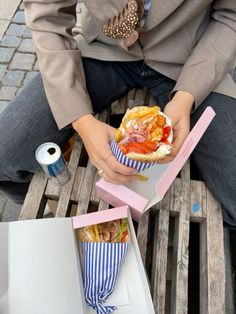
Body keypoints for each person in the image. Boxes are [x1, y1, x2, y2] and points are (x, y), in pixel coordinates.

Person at [0, 0, 235, 227]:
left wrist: (187, 95)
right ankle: (51, 216)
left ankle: (198, 250)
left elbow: (230, 16)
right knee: (3, 158)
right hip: (103, 49)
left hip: (190, 58)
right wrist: (81, 120)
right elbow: (47, 16)